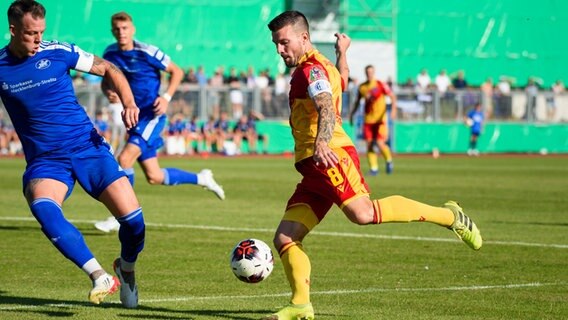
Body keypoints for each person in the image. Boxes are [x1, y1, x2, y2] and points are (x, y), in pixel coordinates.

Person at [264, 10, 483, 320]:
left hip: (329, 157)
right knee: (285, 237)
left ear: (303, 38)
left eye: (284, 43)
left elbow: (326, 107)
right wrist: (343, 55)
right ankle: (301, 305)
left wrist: (322, 142)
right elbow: (339, 84)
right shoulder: (320, 66)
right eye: (275, 44)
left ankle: (450, 216)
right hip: (313, 167)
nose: (279, 50)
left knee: (363, 214)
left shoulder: (309, 71)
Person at [0, 0, 145, 308]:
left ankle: (127, 268)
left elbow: (109, 68)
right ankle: (99, 275)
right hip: (46, 160)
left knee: (133, 223)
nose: (38, 39)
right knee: (43, 207)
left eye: (41, 31)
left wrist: (129, 102)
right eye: (30, 33)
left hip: (87, 148)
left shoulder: (57, 51)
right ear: (12, 30)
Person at [94, 11, 225, 233]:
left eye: (125, 28)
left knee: (124, 158)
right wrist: (108, 91)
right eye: (117, 29)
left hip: (152, 116)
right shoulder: (110, 53)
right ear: (112, 31)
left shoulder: (147, 51)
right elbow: (107, 80)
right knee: (154, 176)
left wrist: (166, 97)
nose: (121, 32)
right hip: (134, 119)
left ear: (132, 29)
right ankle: (202, 178)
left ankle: (123, 216)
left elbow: (177, 71)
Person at [349, 65, 397, 175]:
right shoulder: (362, 87)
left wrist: (393, 110)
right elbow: (357, 102)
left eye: (371, 72)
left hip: (380, 120)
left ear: (374, 72)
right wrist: (352, 114)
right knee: (369, 144)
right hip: (368, 120)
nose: (369, 74)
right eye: (367, 72)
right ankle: (374, 169)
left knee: (380, 143)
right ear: (365, 73)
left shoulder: (380, 84)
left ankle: (389, 160)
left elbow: (392, 96)